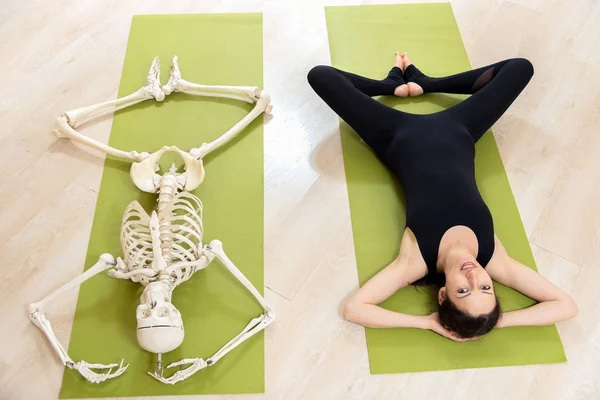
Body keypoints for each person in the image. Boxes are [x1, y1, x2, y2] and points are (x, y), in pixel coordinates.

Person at [307, 52, 578, 340]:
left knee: (321, 76)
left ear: (442, 294)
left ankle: (387, 87)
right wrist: (496, 321)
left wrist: (428, 323)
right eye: (486, 288)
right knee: (520, 68)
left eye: (463, 290)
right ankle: (427, 84)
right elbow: (566, 306)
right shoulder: (494, 258)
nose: (474, 276)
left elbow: (355, 309)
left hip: (394, 134)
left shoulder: (416, 262)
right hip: (461, 127)